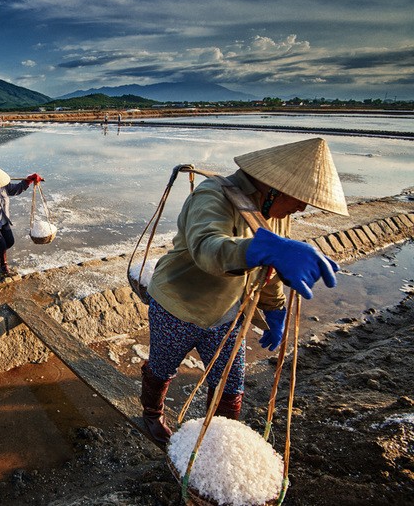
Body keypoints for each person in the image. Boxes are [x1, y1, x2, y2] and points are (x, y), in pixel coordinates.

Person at [138, 137, 349, 449]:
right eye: (298, 198)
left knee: (230, 389)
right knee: (161, 367)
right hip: (177, 305)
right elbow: (208, 249)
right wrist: (262, 247)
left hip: (227, 314)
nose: (302, 206)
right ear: (274, 186)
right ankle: (151, 415)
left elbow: (272, 267)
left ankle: (215, 445)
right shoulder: (212, 195)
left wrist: (276, 310)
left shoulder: (276, 212)